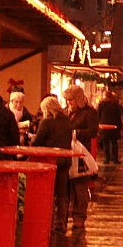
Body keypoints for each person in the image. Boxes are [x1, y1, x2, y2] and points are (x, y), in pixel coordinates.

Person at [31, 95, 74, 232]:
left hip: (50, 160)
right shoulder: (67, 120)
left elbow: (37, 142)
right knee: (62, 193)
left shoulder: (46, 122)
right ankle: (61, 222)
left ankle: (47, 221)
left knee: (48, 191)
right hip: (65, 159)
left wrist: (31, 139)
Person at [63, 85, 98, 229]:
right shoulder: (66, 112)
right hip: (67, 153)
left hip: (82, 154)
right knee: (66, 187)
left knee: (80, 187)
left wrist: (76, 133)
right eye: (67, 100)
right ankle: (64, 217)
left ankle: (79, 217)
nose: (68, 103)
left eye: (71, 100)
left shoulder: (89, 113)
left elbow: (93, 131)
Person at [97, 89, 123, 164]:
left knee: (106, 143)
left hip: (104, 126)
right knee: (114, 143)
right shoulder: (116, 104)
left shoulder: (102, 104)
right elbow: (119, 116)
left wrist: (99, 125)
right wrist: (120, 126)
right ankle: (115, 159)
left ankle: (107, 159)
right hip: (114, 126)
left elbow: (99, 115)